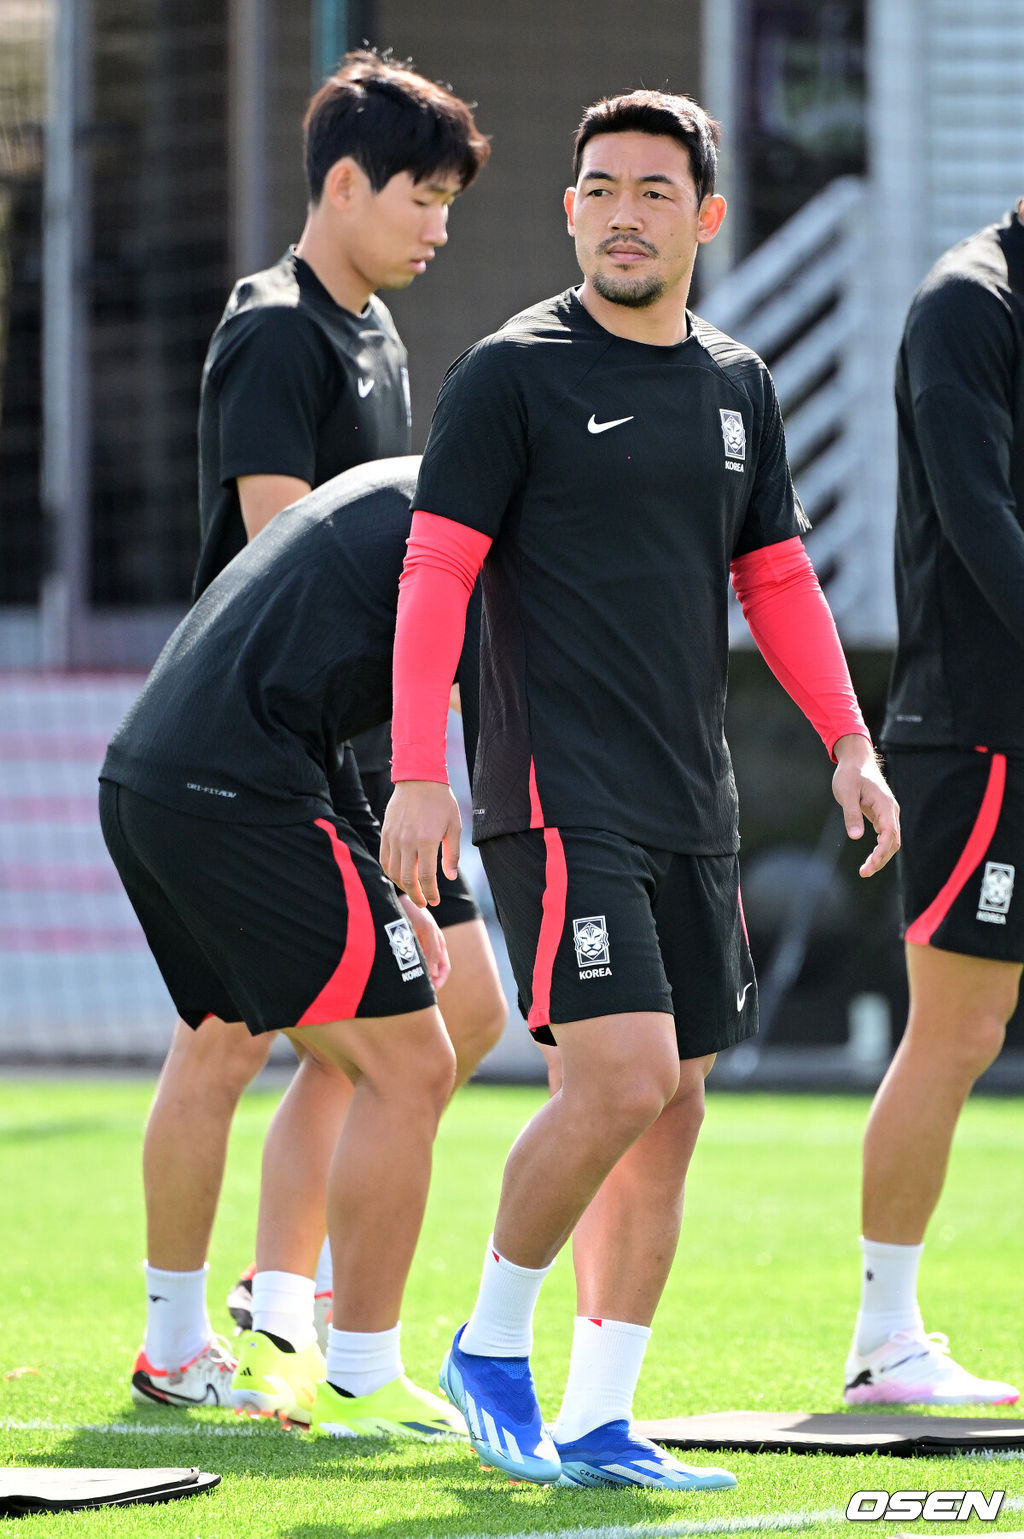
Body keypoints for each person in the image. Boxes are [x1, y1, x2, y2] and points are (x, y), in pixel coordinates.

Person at [380, 89, 900, 1491]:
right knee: (613, 1078)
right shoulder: (509, 373)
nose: (624, 212)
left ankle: (603, 1417)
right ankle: (490, 1346)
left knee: (674, 1103)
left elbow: (776, 576)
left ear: (704, 217)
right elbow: (435, 571)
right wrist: (416, 767)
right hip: (554, 792)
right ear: (569, 211)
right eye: (599, 187)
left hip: (695, 796)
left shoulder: (739, 385)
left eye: (655, 192)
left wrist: (850, 740)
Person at [132, 51, 499, 1412]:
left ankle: (283, 1287)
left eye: (453, 203)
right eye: (421, 196)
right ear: (342, 185)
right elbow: (290, 542)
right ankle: (212, 1327)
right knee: (228, 1039)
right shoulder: (272, 324)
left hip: (356, 735)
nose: (439, 226)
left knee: (456, 1005)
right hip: (268, 743)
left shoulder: (378, 333)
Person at [105, 457, 487, 1438]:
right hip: (238, 794)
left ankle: (181, 1346)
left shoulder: (407, 493)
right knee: (413, 1065)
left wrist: (387, 891)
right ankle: (357, 1370)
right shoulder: (466, 524)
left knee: (220, 1045)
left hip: (147, 780)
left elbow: (336, 724)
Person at [842, 205, 1024, 1409]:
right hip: (979, 729)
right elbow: (977, 520)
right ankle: (883, 1339)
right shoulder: (969, 300)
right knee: (955, 1032)